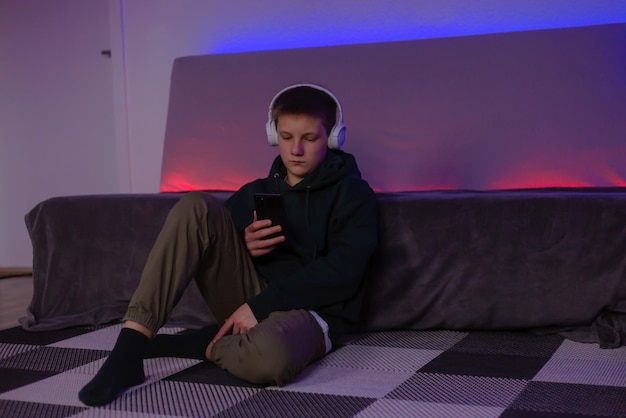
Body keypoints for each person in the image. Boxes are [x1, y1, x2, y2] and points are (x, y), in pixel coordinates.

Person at [78, 83, 378, 406]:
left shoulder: (353, 194)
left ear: (333, 138)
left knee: (271, 359)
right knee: (195, 207)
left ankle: (206, 343)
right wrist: (245, 243)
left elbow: (345, 271)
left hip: (310, 314)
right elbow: (216, 245)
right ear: (273, 135)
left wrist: (260, 307)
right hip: (252, 298)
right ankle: (130, 349)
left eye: (309, 138)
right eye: (287, 137)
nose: (295, 150)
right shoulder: (258, 190)